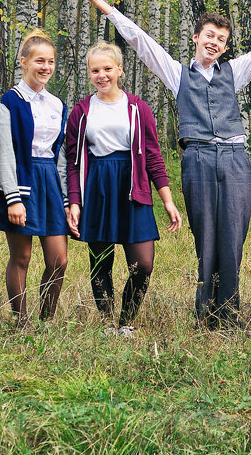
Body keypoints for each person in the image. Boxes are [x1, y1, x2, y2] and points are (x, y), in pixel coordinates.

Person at [65, 0, 251, 328]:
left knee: (233, 238)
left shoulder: (234, 72)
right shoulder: (177, 74)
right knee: (205, 238)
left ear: (225, 45)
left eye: (221, 39)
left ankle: (229, 313)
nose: (214, 43)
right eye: (209, 36)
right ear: (196, 38)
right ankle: (206, 316)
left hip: (233, 159)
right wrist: (101, 4)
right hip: (198, 160)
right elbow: (139, 41)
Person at [65, 41, 181, 336]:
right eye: (95, 70)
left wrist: (167, 200)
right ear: (89, 74)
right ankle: (106, 324)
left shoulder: (138, 108)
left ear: (119, 70)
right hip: (98, 189)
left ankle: (127, 322)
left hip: (134, 188)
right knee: (101, 260)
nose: (101, 75)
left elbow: (153, 157)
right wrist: (74, 202)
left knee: (142, 264)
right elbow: (74, 163)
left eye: (107, 69)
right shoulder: (82, 111)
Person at [0, 30, 69, 325]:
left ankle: (46, 321)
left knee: (58, 261)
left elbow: (60, 153)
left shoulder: (57, 104)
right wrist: (13, 198)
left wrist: (65, 197)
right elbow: (5, 153)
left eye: (50, 62)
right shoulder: (11, 101)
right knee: (21, 258)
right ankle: (21, 322)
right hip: (22, 183)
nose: (45, 67)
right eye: (39, 61)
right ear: (24, 62)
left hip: (49, 182)